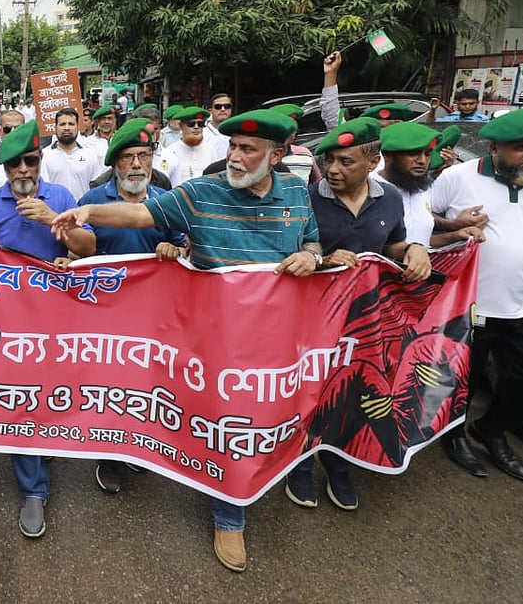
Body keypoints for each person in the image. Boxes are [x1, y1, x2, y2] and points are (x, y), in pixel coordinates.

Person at [51, 109, 322, 572]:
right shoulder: (199, 194)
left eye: (247, 150)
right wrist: (88, 210)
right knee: (229, 426)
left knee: (271, 423)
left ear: (276, 156)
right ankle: (228, 517)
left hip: (279, 340)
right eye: (232, 146)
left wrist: (312, 258)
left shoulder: (298, 192)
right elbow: (140, 213)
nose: (234, 157)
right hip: (216, 343)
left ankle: (273, 478)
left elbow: (312, 241)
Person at [0, 120, 95, 539]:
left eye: (29, 162)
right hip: (4, 326)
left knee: (47, 398)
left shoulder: (62, 197)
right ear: (3, 169)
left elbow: (89, 248)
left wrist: (59, 223)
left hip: (54, 324)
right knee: (22, 402)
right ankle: (33, 489)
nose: (22, 171)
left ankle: (43, 446)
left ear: (39, 162)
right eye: (13, 164)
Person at [285, 118, 431, 511]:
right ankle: (298, 465)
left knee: (352, 393)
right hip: (311, 319)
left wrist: (415, 249)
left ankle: (337, 463)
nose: (332, 169)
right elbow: (289, 255)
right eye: (328, 159)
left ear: (372, 160)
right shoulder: (304, 198)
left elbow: (395, 246)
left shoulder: (391, 200)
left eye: (345, 161)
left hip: (366, 321)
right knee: (310, 392)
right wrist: (322, 260)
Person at [429, 108, 523, 481]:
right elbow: (423, 220)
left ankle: (491, 429)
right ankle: (454, 435)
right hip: (470, 305)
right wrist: (455, 225)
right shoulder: (457, 178)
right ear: (494, 148)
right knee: (462, 382)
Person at [78, 118, 186, 495]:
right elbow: (77, 251)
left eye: (144, 155)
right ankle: (108, 453)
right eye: (128, 158)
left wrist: (176, 249)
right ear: (114, 164)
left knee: (147, 384)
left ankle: (138, 448)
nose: (137, 164)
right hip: (104, 313)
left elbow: (184, 243)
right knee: (109, 386)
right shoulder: (91, 203)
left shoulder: (168, 202)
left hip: (154, 315)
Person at [41, 108, 104, 200]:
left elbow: (95, 186)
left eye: (71, 124)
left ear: (78, 127)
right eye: (62, 124)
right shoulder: (45, 155)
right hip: (54, 212)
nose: (67, 128)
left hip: (83, 210)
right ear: (55, 127)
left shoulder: (89, 154)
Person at [154, 106, 226, 186]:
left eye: (200, 124)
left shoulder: (210, 151)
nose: (196, 127)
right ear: (181, 126)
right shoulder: (170, 152)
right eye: (191, 124)